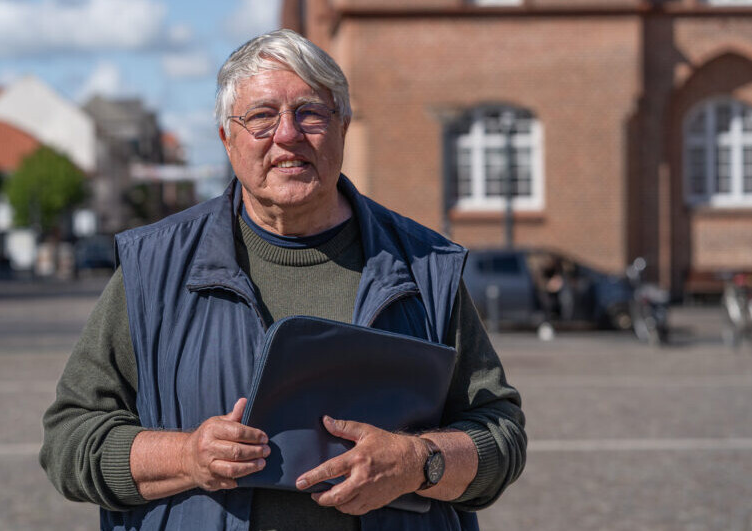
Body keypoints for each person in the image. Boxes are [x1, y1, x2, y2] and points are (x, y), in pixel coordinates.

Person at [40, 29, 526, 531]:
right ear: (228, 139)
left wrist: (420, 462)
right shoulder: (152, 268)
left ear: (343, 127)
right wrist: (187, 456)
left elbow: (501, 434)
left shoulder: (425, 265)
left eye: (310, 113)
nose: (288, 134)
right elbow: (70, 438)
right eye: (261, 116)